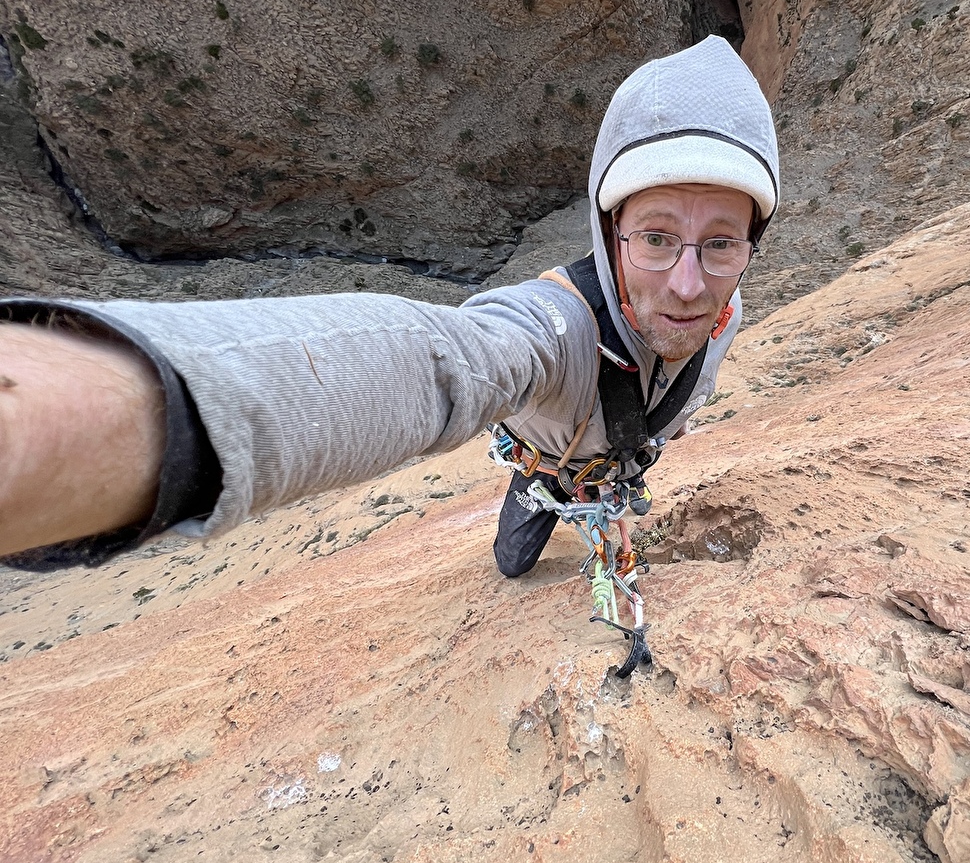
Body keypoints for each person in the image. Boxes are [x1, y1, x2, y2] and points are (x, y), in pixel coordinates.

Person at [0, 35, 780, 571]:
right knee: (514, 566)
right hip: (552, 459)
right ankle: (541, 494)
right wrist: (100, 416)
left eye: (721, 243)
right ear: (608, 235)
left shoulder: (726, 314)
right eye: (654, 237)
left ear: (751, 244)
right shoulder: (554, 331)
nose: (689, 284)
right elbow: (444, 363)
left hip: (609, 459)